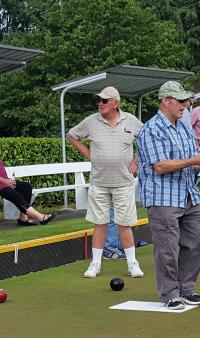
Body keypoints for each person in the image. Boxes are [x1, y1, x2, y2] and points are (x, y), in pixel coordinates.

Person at [137, 81, 200, 310]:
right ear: (166, 101)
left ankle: (186, 288)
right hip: (163, 197)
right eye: (181, 100)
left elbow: (189, 158)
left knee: (199, 240)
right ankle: (169, 293)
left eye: (186, 100)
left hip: (187, 194)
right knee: (167, 248)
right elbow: (160, 166)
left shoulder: (183, 126)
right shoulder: (151, 129)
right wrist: (194, 161)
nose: (185, 104)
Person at [67, 86, 144, 278]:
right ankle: (95, 264)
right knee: (99, 223)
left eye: (104, 100)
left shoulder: (131, 121)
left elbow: (146, 139)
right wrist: (87, 153)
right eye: (99, 100)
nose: (100, 103)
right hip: (99, 182)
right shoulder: (91, 121)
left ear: (115, 103)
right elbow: (72, 135)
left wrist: (136, 159)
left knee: (124, 223)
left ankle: (132, 263)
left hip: (124, 182)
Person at [0, 128, 56, 226]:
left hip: (5, 183)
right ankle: (40, 217)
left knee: (26, 187)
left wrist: (7, 181)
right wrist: (5, 181)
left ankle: (23, 219)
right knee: (17, 196)